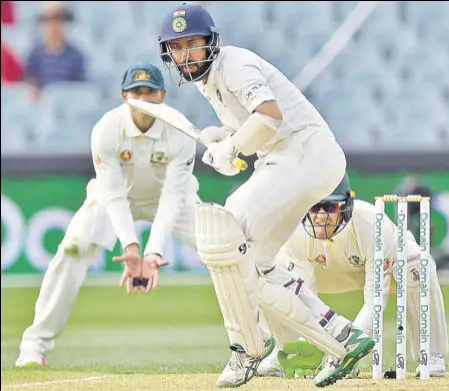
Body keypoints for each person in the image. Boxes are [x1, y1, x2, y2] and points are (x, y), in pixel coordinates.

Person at [158, 3, 375, 388]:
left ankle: (248, 346)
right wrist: (223, 137)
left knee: (222, 229)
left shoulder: (235, 65)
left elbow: (270, 116)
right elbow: (252, 126)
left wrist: (233, 147)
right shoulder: (207, 83)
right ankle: (341, 336)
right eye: (177, 47)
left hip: (304, 152)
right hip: (287, 158)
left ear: (211, 43)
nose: (185, 54)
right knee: (254, 265)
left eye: (192, 44)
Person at [15, 63, 199, 367]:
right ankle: (33, 347)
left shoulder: (180, 128)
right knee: (72, 249)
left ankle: (255, 340)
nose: (143, 98)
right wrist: (131, 246)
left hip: (168, 199)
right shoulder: (106, 129)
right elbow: (113, 195)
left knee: (222, 249)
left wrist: (152, 252)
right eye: (136, 92)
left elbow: (172, 197)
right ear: (124, 96)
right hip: (112, 197)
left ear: (162, 95)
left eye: (150, 92)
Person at [257, 173, 449, 379]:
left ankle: (429, 354)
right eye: (314, 207)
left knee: (420, 263)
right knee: (270, 270)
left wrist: (347, 351)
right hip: (328, 273)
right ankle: (284, 350)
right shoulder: (296, 232)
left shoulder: (372, 225)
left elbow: (375, 301)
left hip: (389, 268)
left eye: (329, 208)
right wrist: (322, 347)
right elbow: (305, 299)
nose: (320, 217)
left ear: (345, 207)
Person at [24, 1, 86, 101]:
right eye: (47, 19)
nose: (53, 24)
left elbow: (79, 90)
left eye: (58, 17)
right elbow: (29, 84)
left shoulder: (76, 56)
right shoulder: (34, 55)